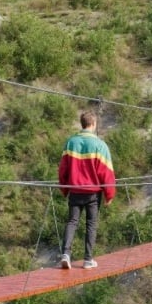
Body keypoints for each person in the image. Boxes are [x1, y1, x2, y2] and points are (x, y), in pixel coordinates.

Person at [57, 112, 116, 269]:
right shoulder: (100, 145)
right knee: (91, 224)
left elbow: (63, 169)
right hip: (92, 193)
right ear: (94, 124)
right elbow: (106, 172)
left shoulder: (71, 143)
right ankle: (88, 259)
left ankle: (65, 254)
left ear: (81, 124)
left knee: (72, 222)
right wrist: (109, 194)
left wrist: (64, 189)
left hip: (75, 191)